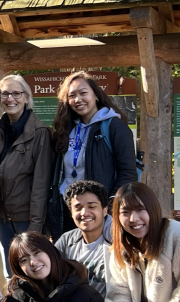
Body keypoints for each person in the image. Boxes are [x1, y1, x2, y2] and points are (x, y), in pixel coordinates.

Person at [46, 71, 138, 238]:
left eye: (83, 93)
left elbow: (128, 173)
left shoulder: (115, 127)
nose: (78, 99)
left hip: (99, 212)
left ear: (96, 94)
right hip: (67, 209)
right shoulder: (66, 129)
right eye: (72, 95)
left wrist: (108, 206)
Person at [0, 74, 52, 275]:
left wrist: (35, 226)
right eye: (5, 93)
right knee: (11, 273)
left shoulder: (40, 132)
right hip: (2, 218)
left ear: (26, 97)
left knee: (31, 271)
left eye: (16, 93)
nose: (11, 98)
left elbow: (41, 183)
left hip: (26, 217)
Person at [53, 180, 113, 295]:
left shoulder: (118, 238)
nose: (84, 213)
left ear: (105, 210)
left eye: (92, 206)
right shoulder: (66, 241)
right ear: (71, 212)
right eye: (78, 208)